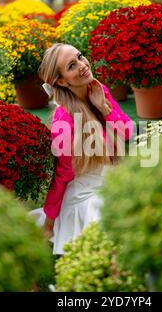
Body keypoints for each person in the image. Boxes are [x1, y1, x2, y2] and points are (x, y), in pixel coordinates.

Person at [30, 43, 133, 255]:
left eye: (80, 57)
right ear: (61, 81)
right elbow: (62, 176)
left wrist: (105, 110)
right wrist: (50, 222)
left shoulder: (98, 89)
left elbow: (127, 132)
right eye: (71, 66)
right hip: (85, 194)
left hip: (114, 180)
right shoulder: (64, 123)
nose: (83, 65)